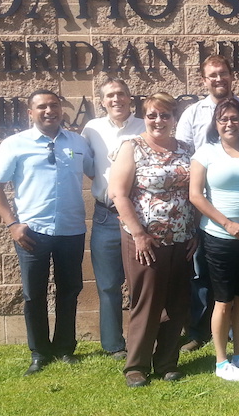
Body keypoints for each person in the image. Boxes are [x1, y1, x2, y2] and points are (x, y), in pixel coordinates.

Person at [0, 89, 94, 376]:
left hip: (71, 230)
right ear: (30, 113)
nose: (50, 111)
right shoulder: (15, 144)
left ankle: (64, 348)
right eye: (42, 107)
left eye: (55, 106)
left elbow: (98, 174)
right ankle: (39, 352)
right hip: (31, 232)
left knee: (69, 290)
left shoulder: (78, 142)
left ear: (62, 110)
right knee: (34, 294)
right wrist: (12, 224)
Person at [176, 54, 239, 353]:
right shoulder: (192, 114)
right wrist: (220, 221)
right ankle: (198, 331)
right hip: (208, 214)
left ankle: (238, 338)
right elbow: (184, 159)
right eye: (212, 75)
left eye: (223, 73)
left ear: (232, 76)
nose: (218, 79)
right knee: (201, 276)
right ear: (204, 80)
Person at [110, 93, 197, 388]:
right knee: (146, 302)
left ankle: (167, 361)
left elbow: (194, 194)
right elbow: (118, 194)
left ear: (174, 119)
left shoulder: (187, 149)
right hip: (145, 240)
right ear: (144, 117)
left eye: (165, 115)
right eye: (152, 115)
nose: (158, 121)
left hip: (182, 237)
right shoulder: (132, 147)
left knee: (177, 301)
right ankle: (136, 365)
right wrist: (138, 234)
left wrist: (194, 231)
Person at [189, 100, 239, 381]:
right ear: (216, 123)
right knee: (223, 301)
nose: (229, 124)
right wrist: (228, 224)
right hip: (219, 237)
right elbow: (196, 195)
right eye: (223, 119)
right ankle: (222, 361)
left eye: (235, 118)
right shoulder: (205, 153)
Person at [81, 78, 145, 360]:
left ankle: (141, 338)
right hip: (106, 216)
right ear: (102, 102)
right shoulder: (92, 129)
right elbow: (90, 169)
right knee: (108, 284)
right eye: (110, 96)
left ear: (130, 98)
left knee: (141, 281)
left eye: (121, 94)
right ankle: (112, 345)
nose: (116, 99)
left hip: (140, 216)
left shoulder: (144, 126)